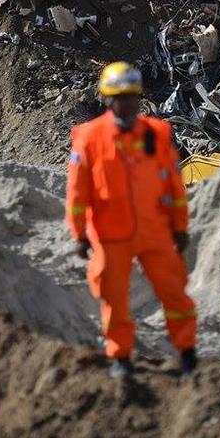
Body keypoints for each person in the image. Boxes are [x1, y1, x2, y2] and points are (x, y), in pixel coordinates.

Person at [66, 62, 198, 379]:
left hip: (155, 230)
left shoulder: (158, 133)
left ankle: (187, 352)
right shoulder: (89, 138)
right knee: (114, 300)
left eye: (131, 96)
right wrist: (79, 233)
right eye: (119, 96)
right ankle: (120, 358)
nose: (125, 103)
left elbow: (174, 186)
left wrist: (180, 226)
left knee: (175, 293)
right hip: (110, 234)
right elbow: (77, 190)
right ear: (106, 99)